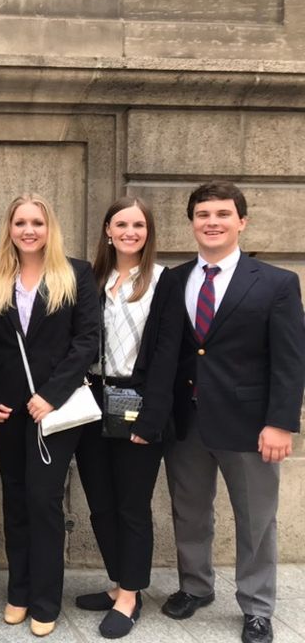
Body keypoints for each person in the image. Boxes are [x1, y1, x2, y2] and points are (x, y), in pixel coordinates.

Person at [161, 181, 305, 643]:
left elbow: (290, 359)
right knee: (190, 511)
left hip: (250, 425)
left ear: (241, 221)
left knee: (256, 519)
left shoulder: (278, 283)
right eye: (203, 214)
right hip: (186, 420)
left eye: (222, 214)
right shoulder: (174, 278)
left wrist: (281, 422)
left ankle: (257, 606)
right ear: (192, 223)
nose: (212, 222)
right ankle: (196, 586)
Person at [0, 193, 98, 637]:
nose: (28, 230)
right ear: (10, 228)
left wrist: (52, 395)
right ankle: (18, 592)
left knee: (44, 501)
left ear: (49, 228)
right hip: (5, 410)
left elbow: (87, 341)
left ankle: (45, 598)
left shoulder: (76, 273)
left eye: (36, 223)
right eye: (20, 222)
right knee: (16, 498)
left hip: (53, 411)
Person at [73, 197, 185, 638]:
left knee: (131, 504)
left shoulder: (163, 280)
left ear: (148, 231)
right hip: (93, 397)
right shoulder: (92, 277)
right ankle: (118, 581)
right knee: (100, 502)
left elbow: (167, 354)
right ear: (107, 230)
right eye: (122, 223)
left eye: (139, 225)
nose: (130, 232)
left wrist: (152, 419)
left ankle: (130, 595)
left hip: (138, 397)